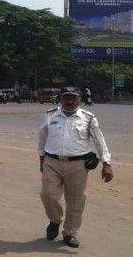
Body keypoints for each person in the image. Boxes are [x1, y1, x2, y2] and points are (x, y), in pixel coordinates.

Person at [37, 86, 113, 248]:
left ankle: (70, 233)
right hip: (52, 162)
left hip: (78, 165)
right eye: (66, 97)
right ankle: (55, 220)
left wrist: (106, 163)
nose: (69, 101)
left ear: (80, 100)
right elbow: (42, 139)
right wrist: (41, 160)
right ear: (61, 99)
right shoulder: (50, 115)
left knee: (76, 202)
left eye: (73, 98)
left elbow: (99, 140)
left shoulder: (88, 118)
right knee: (48, 195)